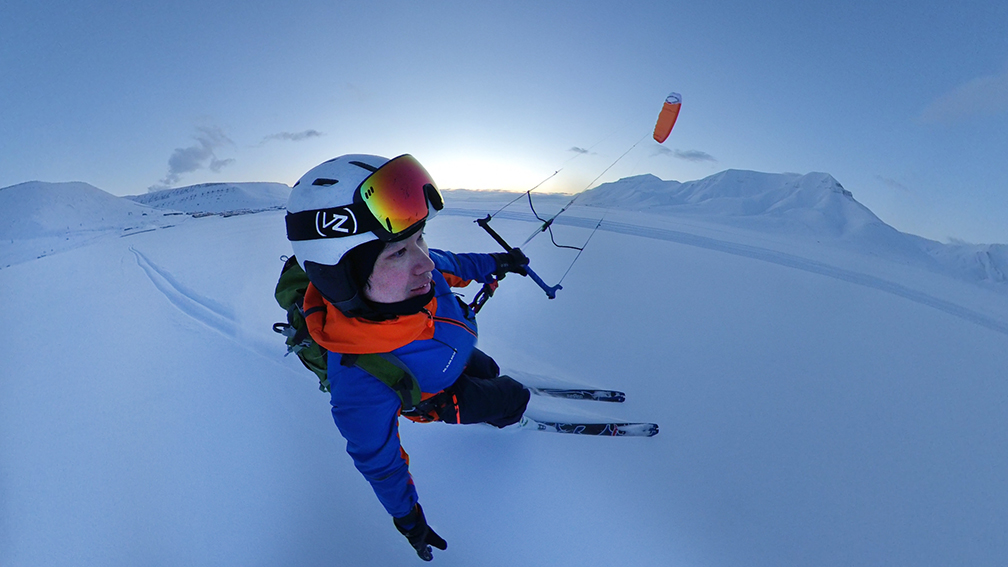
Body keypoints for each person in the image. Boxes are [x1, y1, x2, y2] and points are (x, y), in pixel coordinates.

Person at [284, 153, 531, 561]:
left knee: (489, 370)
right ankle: (513, 417)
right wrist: (409, 520)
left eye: (420, 239)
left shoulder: (420, 278)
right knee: (509, 397)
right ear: (342, 276)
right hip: (437, 397)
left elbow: (455, 264)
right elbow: (378, 461)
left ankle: (487, 386)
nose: (425, 263)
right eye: (397, 253)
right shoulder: (358, 381)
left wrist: (499, 263)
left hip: (453, 356)